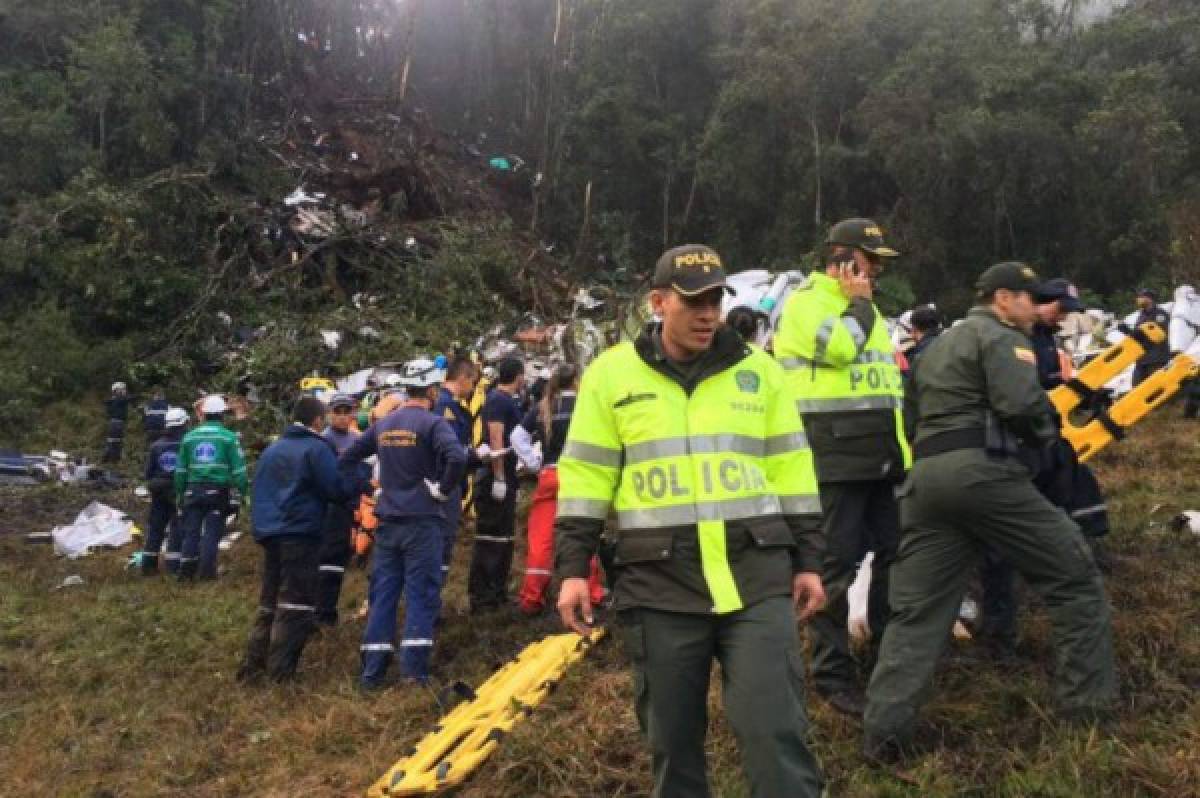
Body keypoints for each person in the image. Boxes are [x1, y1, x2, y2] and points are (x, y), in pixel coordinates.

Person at [555, 244, 827, 798]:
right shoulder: (610, 377)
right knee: (673, 747)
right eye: (693, 301)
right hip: (660, 585)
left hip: (755, 578)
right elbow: (585, 478)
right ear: (658, 302)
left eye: (715, 301)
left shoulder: (760, 373)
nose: (708, 314)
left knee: (776, 734)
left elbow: (792, 472)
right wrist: (572, 569)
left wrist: (810, 561)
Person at [863, 262, 1117, 761]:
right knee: (1074, 577)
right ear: (1003, 298)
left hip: (928, 480)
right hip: (986, 475)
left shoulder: (933, 348)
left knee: (917, 614)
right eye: (1028, 298)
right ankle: (1085, 719)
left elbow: (909, 414)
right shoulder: (1003, 338)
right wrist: (1049, 441)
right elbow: (1021, 405)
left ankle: (883, 734)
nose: (1034, 308)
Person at [773, 218, 909, 716]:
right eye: (871, 261)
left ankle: (882, 658)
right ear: (845, 260)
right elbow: (839, 350)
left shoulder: (868, 312)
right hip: (833, 462)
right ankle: (832, 675)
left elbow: (885, 387)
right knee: (833, 571)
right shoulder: (807, 305)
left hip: (880, 461)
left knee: (896, 559)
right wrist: (861, 304)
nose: (876, 272)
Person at [340, 358, 466, 688]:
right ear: (432, 390)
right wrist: (442, 489)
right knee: (421, 595)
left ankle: (372, 674)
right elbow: (457, 457)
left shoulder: (384, 424)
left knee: (383, 594)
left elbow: (347, 458)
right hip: (422, 522)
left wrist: (370, 491)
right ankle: (414, 674)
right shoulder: (433, 423)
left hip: (388, 522)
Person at [239, 397, 353, 682]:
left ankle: (252, 668)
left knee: (269, 602)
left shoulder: (272, 450)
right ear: (317, 421)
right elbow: (335, 488)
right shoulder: (317, 449)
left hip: (269, 533)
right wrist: (358, 483)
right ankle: (281, 673)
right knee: (296, 604)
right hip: (300, 533)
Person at [513, 364, 605, 615]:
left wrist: (533, 462)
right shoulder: (586, 406)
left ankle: (532, 597)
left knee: (541, 537)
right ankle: (592, 592)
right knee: (582, 532)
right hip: (579, 475)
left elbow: (517, 437)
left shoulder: (544, 407)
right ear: (577, 381)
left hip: (549, 474)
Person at [467, 356, 525, 613]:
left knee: (504, 537)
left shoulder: (503, 400)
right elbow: (496, 438)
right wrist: (499, 476)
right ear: (519, 376)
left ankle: (497, 591)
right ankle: (482, 596)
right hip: (493, 477)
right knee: (491, 538)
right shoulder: (498, 401)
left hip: (507, 475)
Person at [174, 395, 249, 580]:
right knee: (212, 532)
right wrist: (245, 492)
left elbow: (180, 470)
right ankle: (207, 574)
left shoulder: (189, 438)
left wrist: (179, 493)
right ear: (222, 414)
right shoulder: (229, 438)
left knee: (191, 531)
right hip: (217, 491)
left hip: (192, 490)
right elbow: (239, 470)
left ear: (204, 414)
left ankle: (186, 572)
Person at [431, 358, 480, 587]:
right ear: (463, 378)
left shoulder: (449, 405)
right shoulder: (445, 406)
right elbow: (448, 450)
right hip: (444, 485)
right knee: (441, 546)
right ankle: (431, 605)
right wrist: (474, 456)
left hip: (447, 483)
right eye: (473, 381)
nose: (473, 387)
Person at [314, 393, 362, 625]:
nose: (342, 417)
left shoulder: (356, 439)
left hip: (349, 506)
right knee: (328, 560)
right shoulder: (324, 440)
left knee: (340, 559)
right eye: (338, 412)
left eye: (347, 412)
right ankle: (322, 612)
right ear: (329, 414)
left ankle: (328, 608)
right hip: (331, 507)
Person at [140, 406, 188, 575]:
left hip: (158, 490)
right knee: (176, 527)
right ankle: (173, 566)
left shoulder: (156, 445)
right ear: (183, 424)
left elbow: (148, 472)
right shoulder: (186, 444)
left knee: (155, 527)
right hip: (177, 490)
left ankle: (148, 565)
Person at [1029, 278, 1083, 391]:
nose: (1063, 317)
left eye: (1067, 312)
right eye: (1061, 309)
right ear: (1043, 300)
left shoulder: (1048, 335)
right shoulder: (1021, 334)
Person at [1132, 288, 1171, 385]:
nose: (1138, 299)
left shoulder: (1160, 314)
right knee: (1136, 387)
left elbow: (1158, 335)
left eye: (1141, 297)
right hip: (1142, 359)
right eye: (1138, 297)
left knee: (1155, 387)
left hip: (1156, 358)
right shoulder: (1141, 315)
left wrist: (1139, 333)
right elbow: (1138, 333)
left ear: (1150, 299)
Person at [103, 382, 129, 463]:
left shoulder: (113, 400)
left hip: (115, 422)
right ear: (116, 391)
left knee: (114, 440)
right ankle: (112, 459)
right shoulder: (119, 399)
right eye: (122, 389)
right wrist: (141, 396)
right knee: (115, 441)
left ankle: (108, 458)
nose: (125, 391)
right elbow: (130, 398)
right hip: (117, 423)